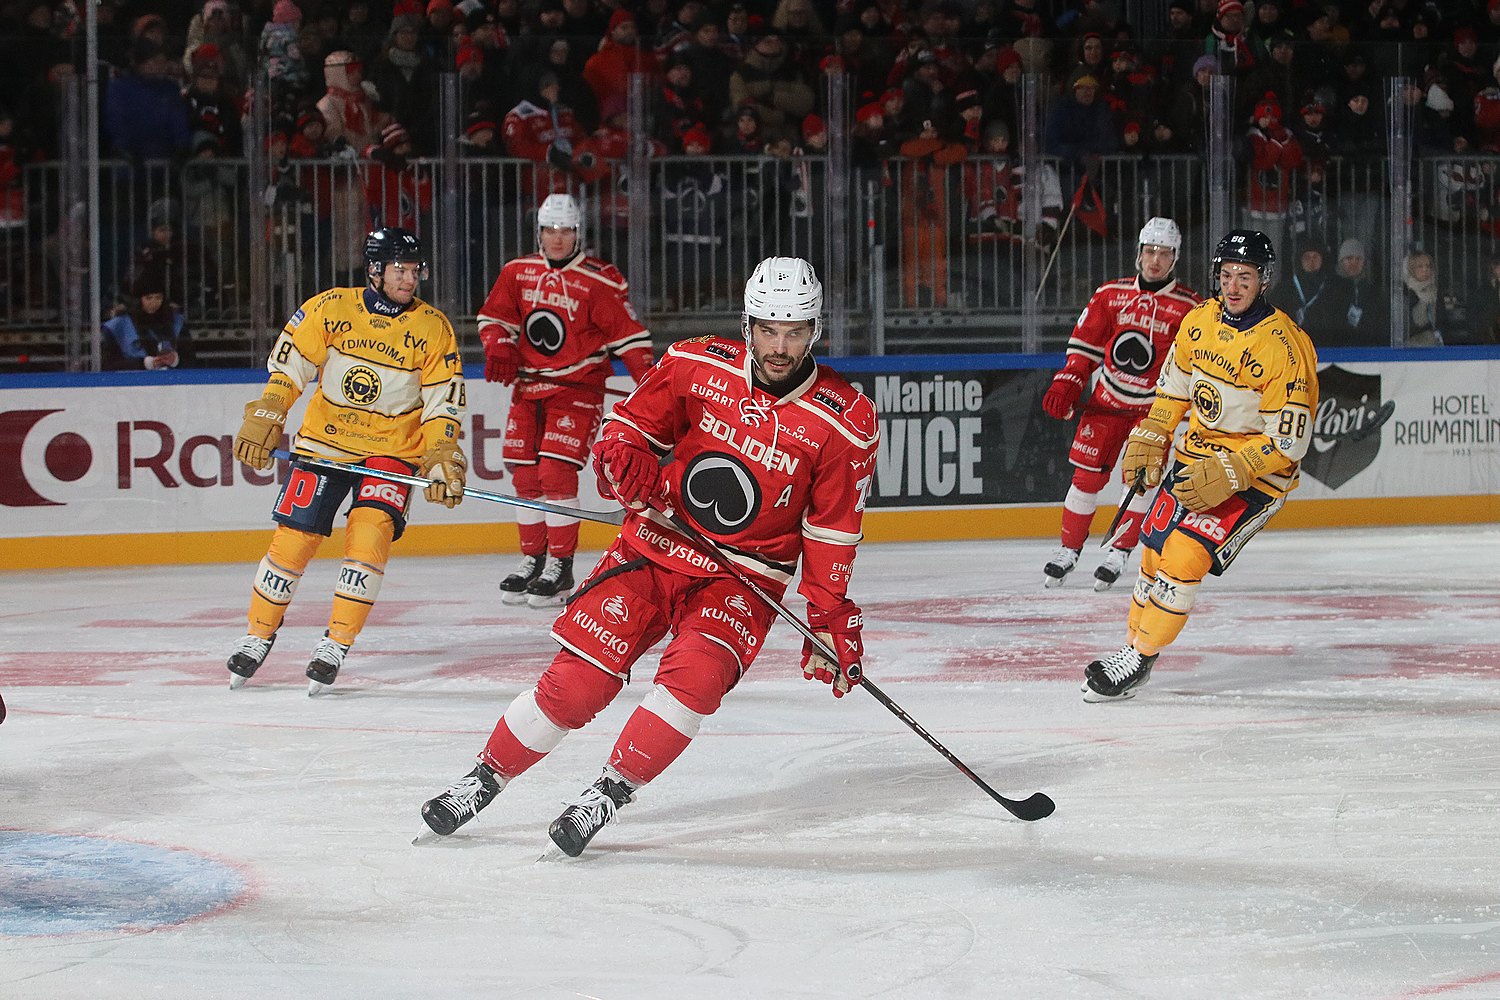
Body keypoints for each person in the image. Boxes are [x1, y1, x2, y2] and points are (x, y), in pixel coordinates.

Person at [417, 256, 880, 857]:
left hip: (744, 579)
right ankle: (483, 778)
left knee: (695, 682)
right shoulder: (695, 364)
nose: (780, 345)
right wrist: (623, 457)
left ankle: (609, 791)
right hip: (654, 544)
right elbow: (626, 430)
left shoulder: (845, 420)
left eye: (794, 331)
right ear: (748, 324)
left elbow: (832, 530)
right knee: (577, 685)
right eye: (768, 329)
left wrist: (827, 617)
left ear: (815, 330)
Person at [225, 228, 467, 695]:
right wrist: (270, 411)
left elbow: (444, 404)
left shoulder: (433, 327)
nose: (409, 279)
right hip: (324, 443)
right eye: (400, 269)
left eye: (415, 270)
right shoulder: (331, 307)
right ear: (375, 270)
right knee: (292, 541)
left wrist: (441, 454)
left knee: (371, 534)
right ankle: (258, 634)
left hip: (392, 452)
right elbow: (289, 367)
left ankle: (336, 643)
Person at [1081, 230, 1317, 701]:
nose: (1233, 286)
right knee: (1151, 554)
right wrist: (1152, 435)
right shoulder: (1198, 323)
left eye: (1244, 277)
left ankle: (1140, 658)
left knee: (1184, 557)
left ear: (1263, 281)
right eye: (1226, 274)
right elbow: (1172, 393)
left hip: (1257, 480)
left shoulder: (1287, 348)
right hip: (1196, 460)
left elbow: (1290, 442)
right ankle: (1131, 648)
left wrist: (1233, 471)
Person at [476, 193, 654, 606]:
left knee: (555, 473)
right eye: (550, 230)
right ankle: (532, 560)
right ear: (538, 232)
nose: (558, 238)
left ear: (578, 232)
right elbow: (494, 317)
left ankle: (561, 566)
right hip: (528, 387)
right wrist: (498, 346)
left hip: (577, 388)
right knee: (524, 476)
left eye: (566, 230)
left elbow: (631, 339)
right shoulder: (517, 272)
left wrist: (649, 390)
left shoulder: (599, 280)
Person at [1040, 218, 1201, 590]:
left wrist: (1190, 411)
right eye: (1149, 251)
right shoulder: (1110, 294)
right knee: (1085, 479)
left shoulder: (1191, 308)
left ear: (1175, 258)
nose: (1155, 260)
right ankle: (1069, 548)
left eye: (1164, 253)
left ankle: (1120, 550)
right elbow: (1084, 349)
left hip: (1153, 412)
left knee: (1140, 483)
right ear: (1138, 254)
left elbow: (1197, 365)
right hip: (1106, 402)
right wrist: (1067, 383)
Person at [101, 270, 194, 370]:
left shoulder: (177, 322)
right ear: (138, 299)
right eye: (149, 298)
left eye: (158, 298)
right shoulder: (119, 326)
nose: (154, 303)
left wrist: (176, 360)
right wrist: (144, 363)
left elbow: (191, 359)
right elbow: (108, 365)